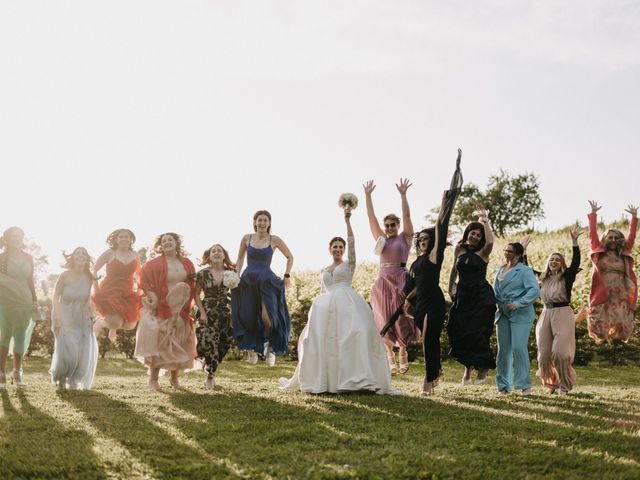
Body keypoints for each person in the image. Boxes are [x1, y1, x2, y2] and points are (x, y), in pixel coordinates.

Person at [279, 207, 398, 394]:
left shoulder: (349, 264)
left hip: (348, 304)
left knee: (353, 335)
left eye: (340, 247)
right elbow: (322, 291)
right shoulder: (323, 270)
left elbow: (352, 243)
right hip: (326, 307)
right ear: (329, 249)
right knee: (321, 340)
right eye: (335, 246)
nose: (338, 249)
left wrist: (348, 221)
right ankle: (327, 381)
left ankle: (355, 379)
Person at [402, 151, 462, 395]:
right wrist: (407, 298)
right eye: (422, 239)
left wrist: (443, 205)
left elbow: (440, 225)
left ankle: (428, 380)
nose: (424, 241)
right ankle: (435, 371)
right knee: (427, 340)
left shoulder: (434, 257)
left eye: (428, 239)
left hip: (435, 301)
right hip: (420, 302)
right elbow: (418, 283)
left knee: (429, 339)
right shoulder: (417, 260)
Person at [363, 178, 419, 374]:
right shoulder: (381, 239)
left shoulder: (405, 237)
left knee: (401, 317)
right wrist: (367, 196)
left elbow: (407, 215)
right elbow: (371, 218)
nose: (388, 228)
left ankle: (403, 350)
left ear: (397, 225)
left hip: (400, 280)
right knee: (382, 317)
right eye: (387, 225)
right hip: (382, 282)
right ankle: (389, 355)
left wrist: (403, 195)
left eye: (392, 225)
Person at [135, 232, 197, 390]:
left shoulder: (187, 263)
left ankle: (174, 379)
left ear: (176, 243)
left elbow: (192, 284)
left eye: (171, 240)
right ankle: (153, 379)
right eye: (164, 241)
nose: (167, 242)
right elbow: (144, 282)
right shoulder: (153, 264)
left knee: (179, 341)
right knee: (160, 343)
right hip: (162, 307)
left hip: (181, 308)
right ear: (160, 246)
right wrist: (152, 296)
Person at [232, 210, 293, 367]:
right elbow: (239, 259)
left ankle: (270, 347)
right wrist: (235, 276)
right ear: (254, 222)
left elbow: (290, 256)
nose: (262, 223)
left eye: (265, 220)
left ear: (269, 223)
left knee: (268, 317)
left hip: (266, 280)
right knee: (248, 316)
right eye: (259, 220)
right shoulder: (247, 238)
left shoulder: (274, 239)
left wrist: (286, 275)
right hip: (248, 280)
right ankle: (252, 348)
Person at [525, 228, 582, 395]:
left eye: (558, 259)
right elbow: (526, 269)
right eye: (552, 259)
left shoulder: (567, 277)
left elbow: (576, 263)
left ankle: (565, 386)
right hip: (546, 314)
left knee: (561, 353)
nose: (554, 261)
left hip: (563, 313)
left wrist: (574, 243)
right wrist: (525, 251)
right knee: (543, 356)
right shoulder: (542, 278)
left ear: (562, 263)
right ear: (548, 263)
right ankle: (550, 384)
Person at [447, 206, 497, 385]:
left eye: (478, 235)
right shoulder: (459, 249)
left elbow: (490, 242)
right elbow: (454, 269)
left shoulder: (483, 252)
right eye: (473, 233)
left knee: (478, 332)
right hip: (463, 295)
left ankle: (483, 368)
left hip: (481, 296)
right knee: (461, 331)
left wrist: (485, 220)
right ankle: (467, 369)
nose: (475, 236)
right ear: (467, 232)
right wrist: (450, 287)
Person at [586, 201, 638, 343]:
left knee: (620, 320)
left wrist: (634, 218)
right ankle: (604, 338)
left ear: (620, 240)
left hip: (620, 291)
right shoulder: (599, 251)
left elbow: (632, 237)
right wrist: (593, 214)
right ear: (605, 239)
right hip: (602, 290)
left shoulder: (624, 252)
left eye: (616, 238)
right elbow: (592, 234)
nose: (613, 240)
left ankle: (616, 342)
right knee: (598, 321)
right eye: (610, 237)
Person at [493, 242, 540, 396]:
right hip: (502, 312)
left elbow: (534, 290)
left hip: (521, 313)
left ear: (518, 254)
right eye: (505, 249)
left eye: (510, 251)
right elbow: (496, 291)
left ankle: (524, 385)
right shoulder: (500, 269)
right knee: (503, 350)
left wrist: (518, 303)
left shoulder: (525, 271)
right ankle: (503, 386)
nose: (506, 252)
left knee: (519, 347)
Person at [49, 247, 99, 390]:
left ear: (87, 258)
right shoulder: (64, 275)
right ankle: (61, 380)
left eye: (84, 253)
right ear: (72, 257)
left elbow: (88, 299)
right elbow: (55, 297)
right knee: (66, 348)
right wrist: (58, 318)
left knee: (82, 348)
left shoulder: (89, 276)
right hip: (64, 312)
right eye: (78, 253)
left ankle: (74, 380)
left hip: (82, 315)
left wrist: (90, 316)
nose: (80, 256)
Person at [194, 244, 238, 390]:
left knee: (223, 344)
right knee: (209, 342)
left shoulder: (231, 272)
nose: (217, 253)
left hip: (225, 312)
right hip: (208, 311)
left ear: (224, 255)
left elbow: (236, 293)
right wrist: (202, 312)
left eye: (220, 251)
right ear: (209, 256)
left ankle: (211, 369)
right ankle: (210, 376)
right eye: (214, 251)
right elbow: (196, 294)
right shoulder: (203, 273)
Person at [0, 227, 37, 388]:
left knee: (20, 335)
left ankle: (17, 371)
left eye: (19, 236)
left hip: (24, 299)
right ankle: (1, 372)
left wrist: (35, 300)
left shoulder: (29, 257)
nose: (16, 239)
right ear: (6, 239)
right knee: (4, 334)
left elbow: (30, 280)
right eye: (13, 236)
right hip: (5, 299)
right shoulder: (2, 258)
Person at [92, 229, 142, 342]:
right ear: (116, 239)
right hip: (110, 290)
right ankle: (101, 322)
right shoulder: (110, 253)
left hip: (127, 292)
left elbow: (139, 274)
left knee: (130, 326)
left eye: (126, 237)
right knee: (115, 322)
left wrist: (139, 291)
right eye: (121, 237)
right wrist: (97, 289)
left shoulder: (135, 255)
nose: (124, 239)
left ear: (130, 240)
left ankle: (112, 326)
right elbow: (94, 270)